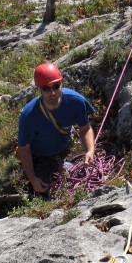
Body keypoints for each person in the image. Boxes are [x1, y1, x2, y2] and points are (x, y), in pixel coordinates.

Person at [16, 62, 96, 196]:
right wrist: (33, 178)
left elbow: (85, 128)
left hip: (64, 147)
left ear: (61, 84)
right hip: (40, 155)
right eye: (46, 88)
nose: (52, 92)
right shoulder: (29, 116)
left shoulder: (76, 101)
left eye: (56, 86)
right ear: (40, 89)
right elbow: (24, 149)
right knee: (45, 191)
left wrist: (90, 150)